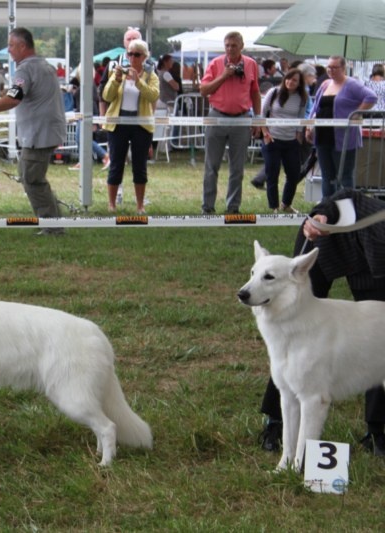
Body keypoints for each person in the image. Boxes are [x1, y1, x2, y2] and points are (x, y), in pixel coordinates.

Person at [258, 189, 385, 457]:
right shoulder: (374, 212)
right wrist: (320, 215)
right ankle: (276, 423)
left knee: (376, 342)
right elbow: (346, 196)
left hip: (373, 270)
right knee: (289, 347)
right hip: (324, 243)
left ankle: (376, 432)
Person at [0, 27, 66, 235]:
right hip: (47, 131)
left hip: (38, 134)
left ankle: (52, 225)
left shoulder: (24, 70)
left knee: (31, 178)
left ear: (23, 46)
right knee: (30, 175)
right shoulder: (45, 66)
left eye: (12, 45)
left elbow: (14, 97)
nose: (10, 50)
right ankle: (54, 219)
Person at [199, 30, 261, 214]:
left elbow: (255, 92)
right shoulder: (216, 64)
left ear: (241, 46)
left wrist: (258, 119)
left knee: (237, 167)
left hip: (241, 119)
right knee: (212, 165)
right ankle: (207, 207)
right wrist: (224, 75)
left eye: (234, 45)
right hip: (217, 117)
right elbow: (203, 90)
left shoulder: (251, 64)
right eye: (227, 45)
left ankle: (233, 208)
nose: (230, 49)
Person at [305, 55, 376, 200]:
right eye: (329, 67)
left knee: (345, 175)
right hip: (323, 136)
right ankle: (328, 207)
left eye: (335, 67)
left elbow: (371, 97)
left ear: (343, 68)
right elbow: (316, 107)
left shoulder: (352, 84)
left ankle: (348, 206)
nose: (331, 70)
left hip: (343, 138)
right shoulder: (325, 84)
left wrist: (356, 114)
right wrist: (309, 126)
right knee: (327, 175)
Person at [101, 39, 159, 214]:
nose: (132, 58)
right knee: (116, 163)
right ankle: (111, 204)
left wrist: (139, 82)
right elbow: (107, 96)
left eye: (137, 54)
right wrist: (116, 80)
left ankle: (140, 205)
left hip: (141, 124)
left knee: (139, 165)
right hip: (119, 124)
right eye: (130, 54)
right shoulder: (118, 72)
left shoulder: (151, 75)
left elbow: (153, 96)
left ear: (144, 57)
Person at [259, 68, 308, 213]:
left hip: (291, 141)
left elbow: (301, 117)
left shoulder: (302, 98)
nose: (290, 82)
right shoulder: (273, 92)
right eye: (288, 78)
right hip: (273, 139)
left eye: (294, 80)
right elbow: (262, 113)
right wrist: (265, 133)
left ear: (299, 83)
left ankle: (286, 204)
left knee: (293, 174)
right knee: (272, 174)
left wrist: (298, 137)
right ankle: (273, 206)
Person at [67, 75, 109, 172]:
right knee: (79, 139)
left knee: (83, 139)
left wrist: (94, 120)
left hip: (86, 115)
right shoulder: (84, 83)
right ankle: (83, 161)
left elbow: (93, 101)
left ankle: (105, 155)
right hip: (81, 114)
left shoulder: (88, 83)